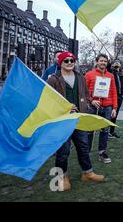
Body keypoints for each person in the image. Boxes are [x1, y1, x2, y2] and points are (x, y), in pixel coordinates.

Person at [47, 52, 104, 191]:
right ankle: (62, 177)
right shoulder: (53, 79)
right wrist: (64, 109)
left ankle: (88, 173)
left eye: (72, 60)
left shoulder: (80, 77)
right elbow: (48, 101)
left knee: (83, 147)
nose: (69, 62)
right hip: (62, 121)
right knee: (63, 151)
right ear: (60, 62)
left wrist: (91, 101)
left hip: (79, 119)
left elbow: (85, 94)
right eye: (66, 60)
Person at [85, 54, 117, 164]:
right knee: (90, 131)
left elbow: (113, 92)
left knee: (105, 131)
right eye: (101, 61)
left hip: (107, 106)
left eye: (105, 61)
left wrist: (114, 107)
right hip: (93, 106)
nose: (103, 63)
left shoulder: (111, 76)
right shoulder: (89, 75)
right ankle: (87, 152)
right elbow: (84, 92)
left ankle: (102, 152)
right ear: (97, 62)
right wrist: (91, 100)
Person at [109, 59, 123, 139]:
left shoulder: (121, 73)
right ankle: (107, 132)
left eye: (118, 63)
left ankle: (112, 131)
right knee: (109, 114)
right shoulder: (111, 72)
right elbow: (108, 67)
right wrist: (110, 62)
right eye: (115, 63)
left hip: (119, 96)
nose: (117, 64)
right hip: (112, 96)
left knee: (115, 114)